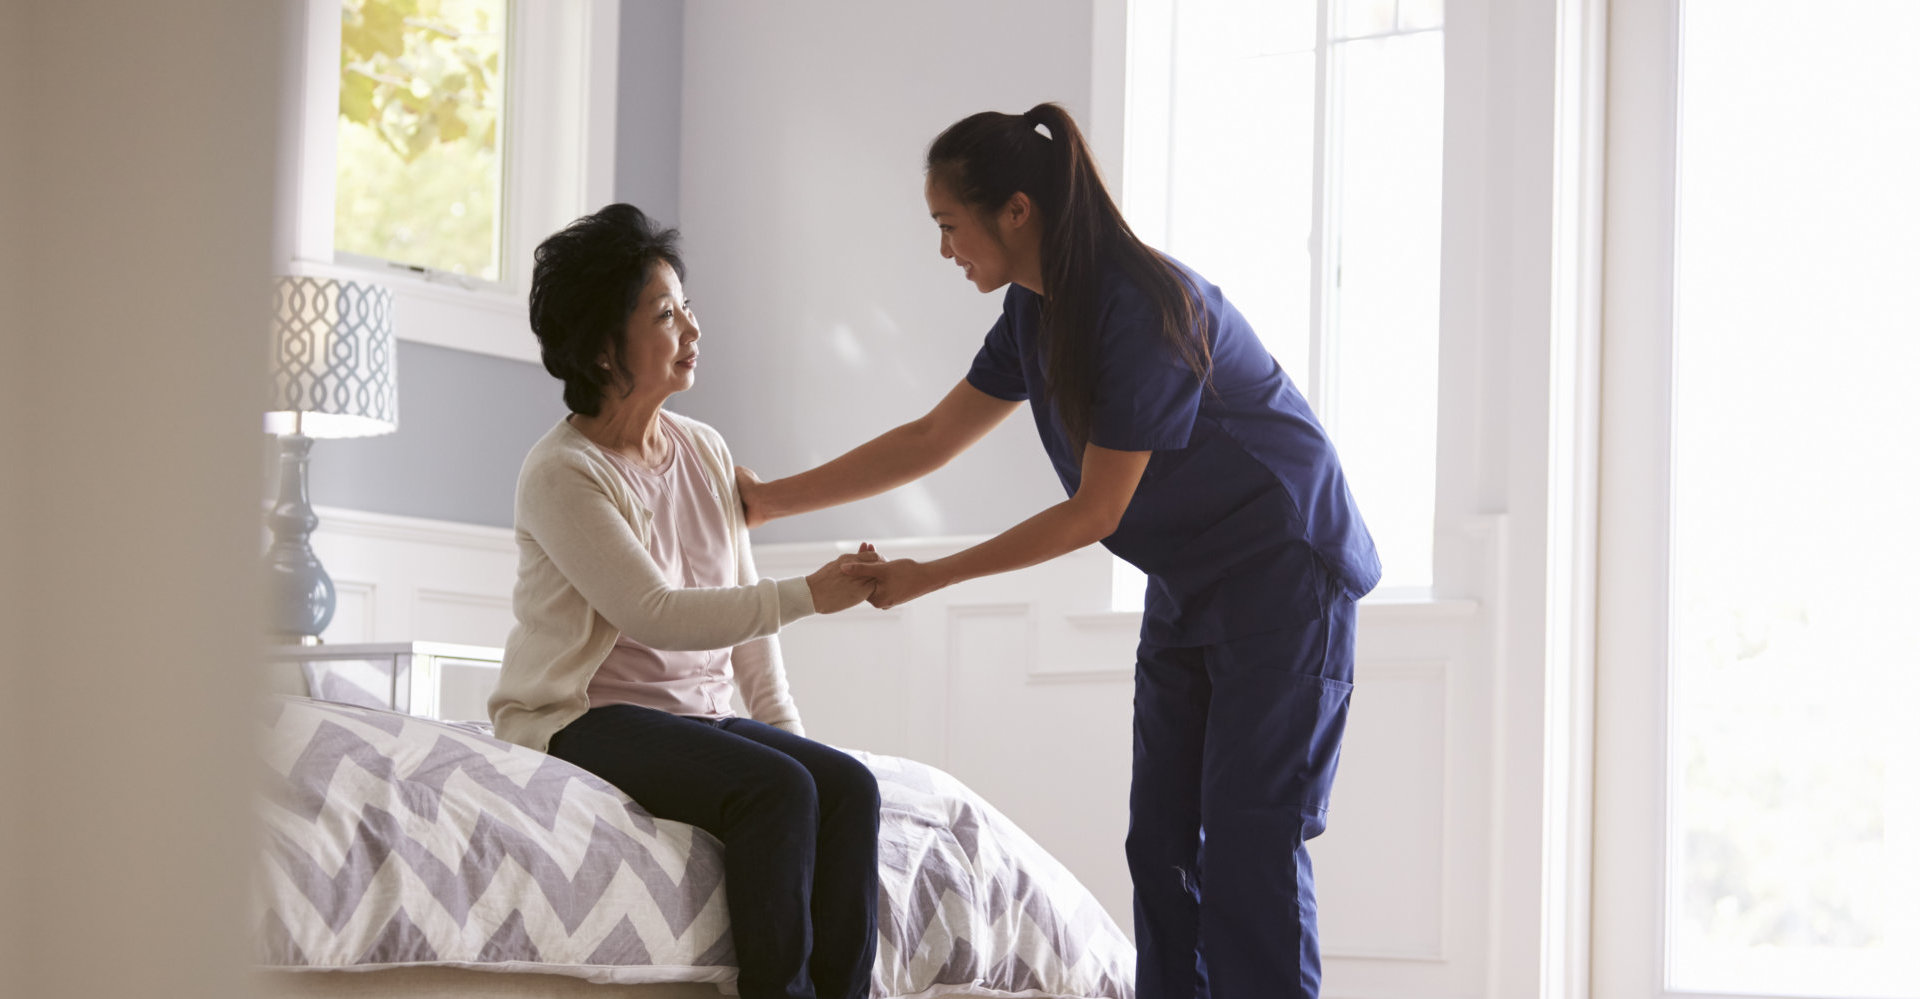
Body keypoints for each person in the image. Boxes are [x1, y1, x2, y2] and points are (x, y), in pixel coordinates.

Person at [734, 104, 1380, 999]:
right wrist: (769, 499)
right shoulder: (1034, 314)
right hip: (1190, 579)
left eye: (949, 226)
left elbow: (1092, 511)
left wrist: (932, 574)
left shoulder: (1144, 307)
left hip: (1284, 574)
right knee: (1159, 847)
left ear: (1017, 211)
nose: (946, 248)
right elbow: (931, 436)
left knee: (1247, 844)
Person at [487, 204, 884, 999]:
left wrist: (787, 736)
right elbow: (654, 612)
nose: (692, 328)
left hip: (696, 716)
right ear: (604, 346)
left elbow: (745, 625)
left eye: (686, 306)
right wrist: (811, 593)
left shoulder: (705, 449)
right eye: (665, 314)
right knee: (776, 790)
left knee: (845, 785)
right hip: (584, 717)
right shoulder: (564, 473)